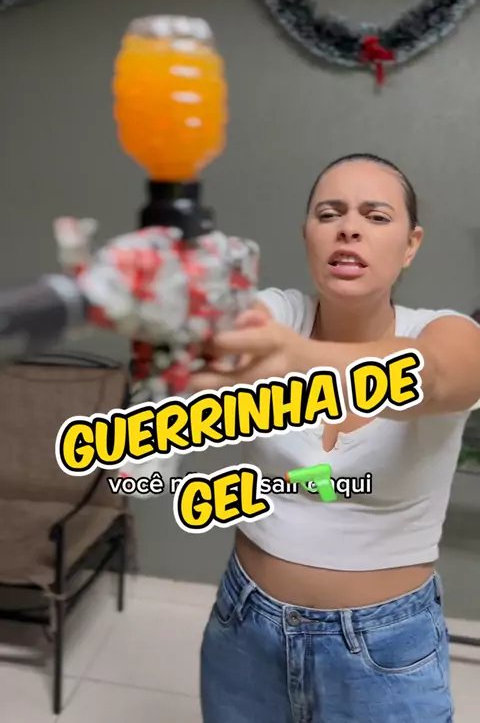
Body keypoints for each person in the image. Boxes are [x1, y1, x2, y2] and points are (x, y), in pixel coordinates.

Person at [191, 153, 480, 723]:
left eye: (376, 216)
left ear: (411, 244)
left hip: (386, 652)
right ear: (307, 234)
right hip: (245, 628)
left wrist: (299, 359)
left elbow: (440, 376)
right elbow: (217, 331)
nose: (349, 228)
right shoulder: (277, 315)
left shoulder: (446, 332)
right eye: (329, 214)